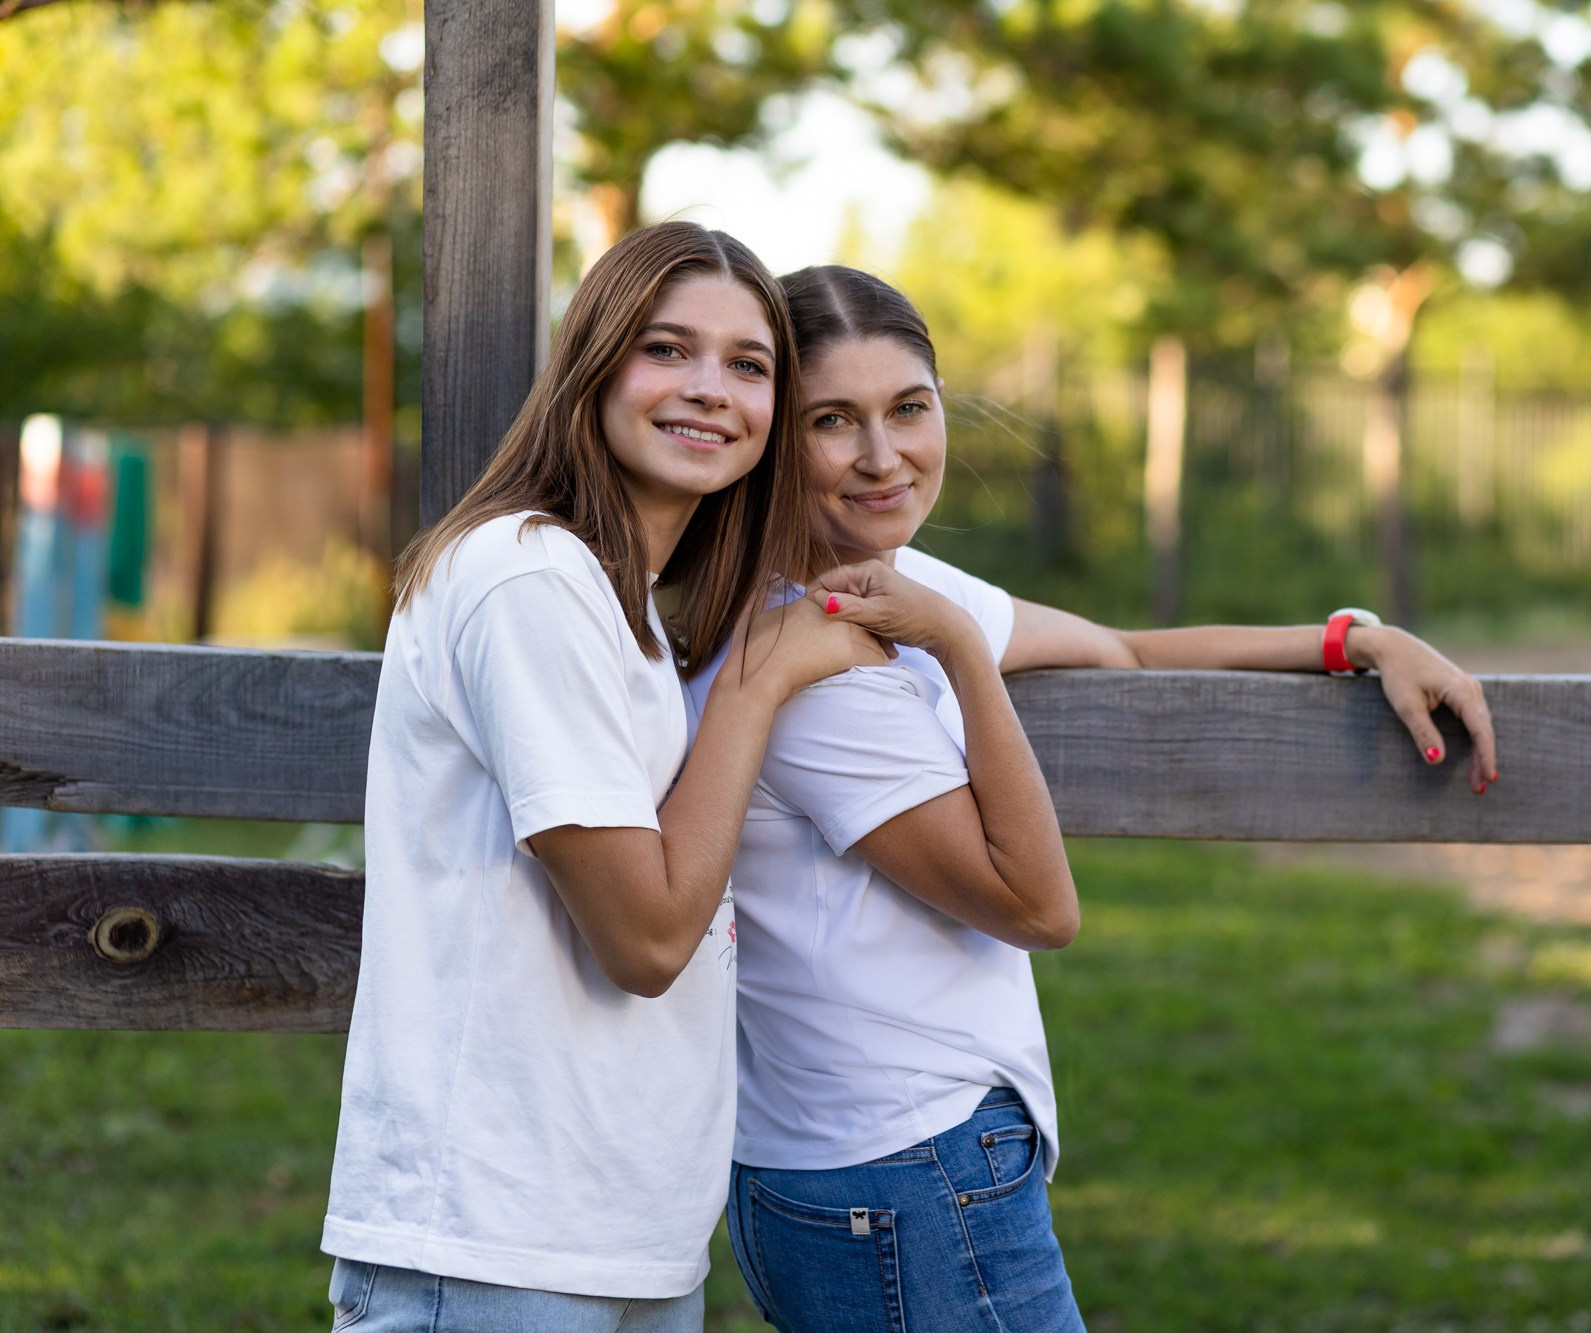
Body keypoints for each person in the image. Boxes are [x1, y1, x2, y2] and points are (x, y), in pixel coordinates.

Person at [703, 264, 1498, 1331]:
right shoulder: (816, 667)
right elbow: (1037, 907)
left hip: (873, 1170)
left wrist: (1353, 637)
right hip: (897, 1171)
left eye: (908, 408)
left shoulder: (880, 584)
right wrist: (954, 649)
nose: (882, 455)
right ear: (767, 438)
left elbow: (1119, 648)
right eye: (830, 421)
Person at [319, 223, 885, 1332]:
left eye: (748, 365)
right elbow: (646, 938)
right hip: (494, 1239)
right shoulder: (524, 574)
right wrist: (756, 687)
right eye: (665, 349)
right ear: (595, 362)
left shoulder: (625, 612)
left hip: (630, 1238)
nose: (709, 390)